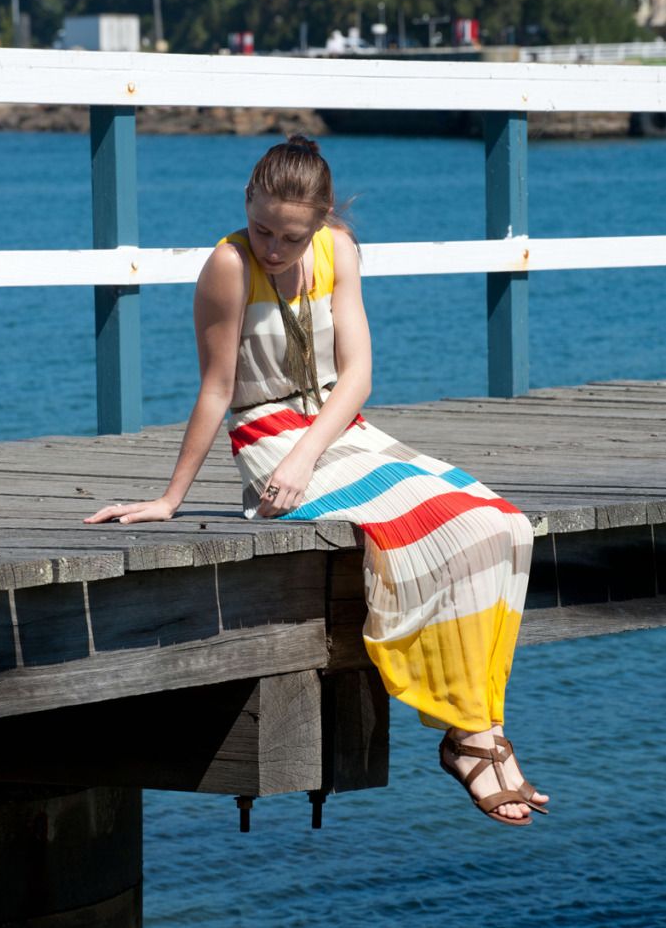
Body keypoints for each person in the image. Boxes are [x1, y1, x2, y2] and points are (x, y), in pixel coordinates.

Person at [86, 135, 549, 825]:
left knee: (501, 524)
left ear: (322, 220)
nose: (273, 248)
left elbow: (357, 374)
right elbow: (216, 389)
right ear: (247, 199)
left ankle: (478, 722)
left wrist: (309, 452)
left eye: (291, 236)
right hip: (266, 438)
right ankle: (472, 736)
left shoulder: (339, 250)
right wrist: (170, 498)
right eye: (262, 228)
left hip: (337, 431)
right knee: (415, 535)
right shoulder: (228, 265)